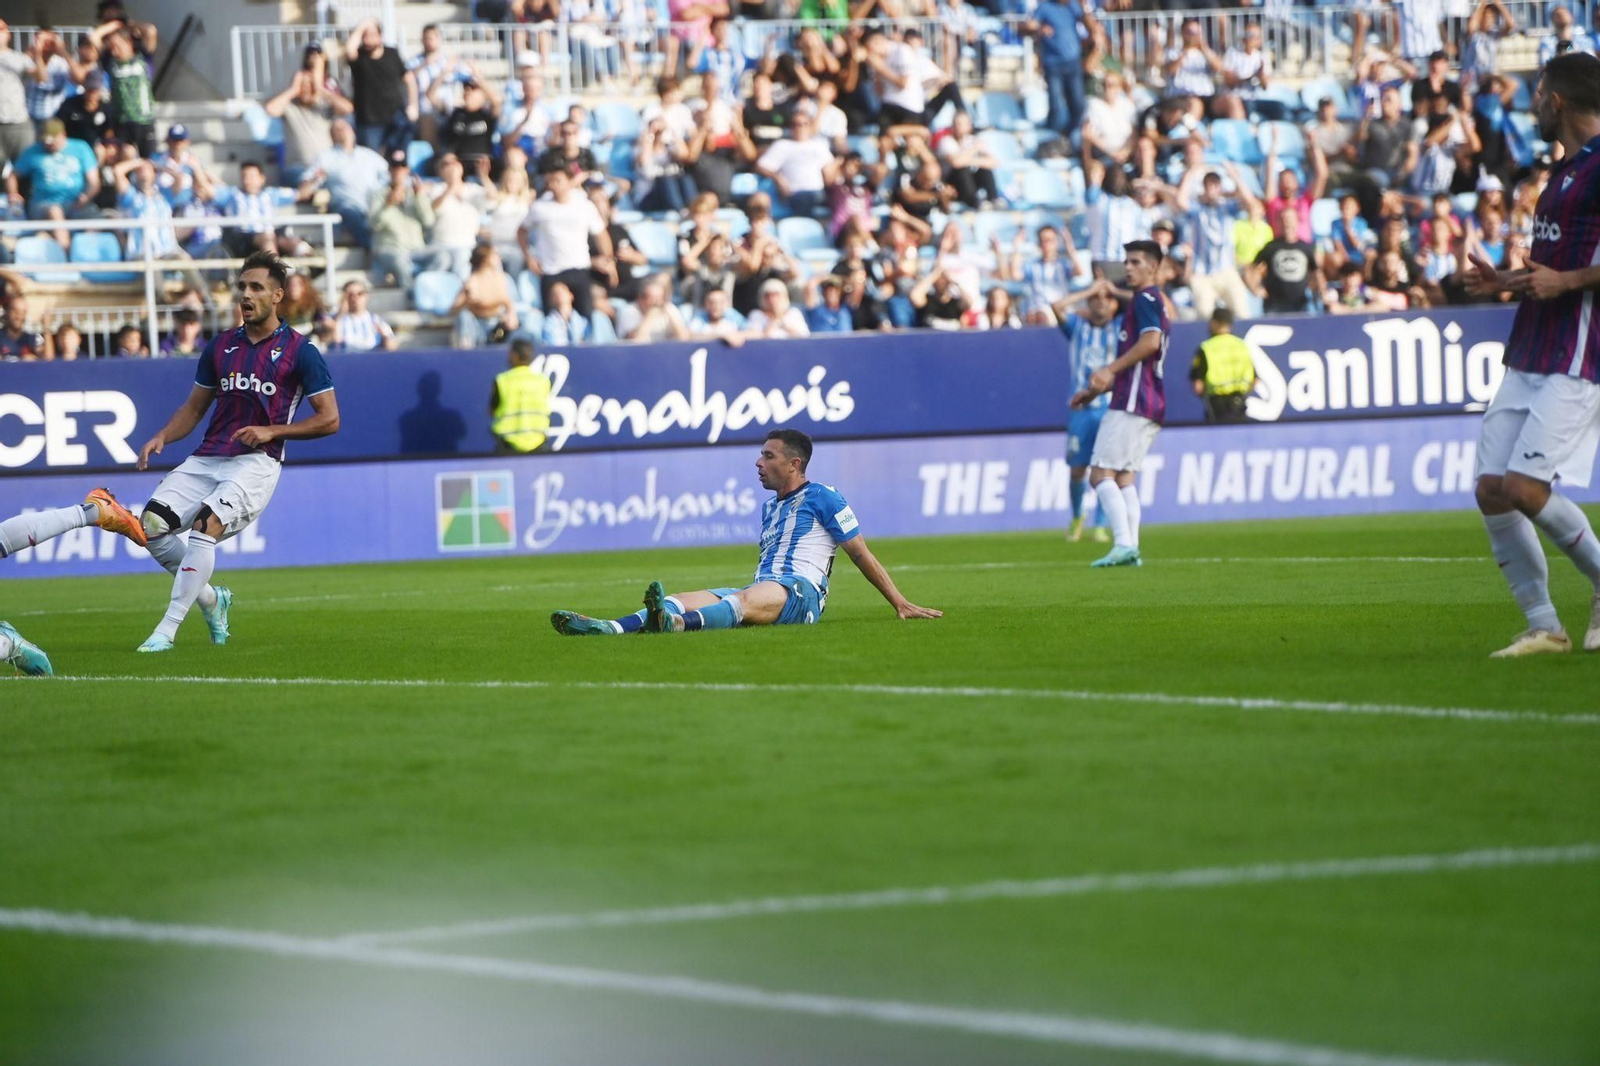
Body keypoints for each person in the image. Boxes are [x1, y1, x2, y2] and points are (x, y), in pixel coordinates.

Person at [129, 250, 338, 651]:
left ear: (277, 296)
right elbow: (193, 408)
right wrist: (163, 436)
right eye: (242, 286)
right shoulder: (221, 346)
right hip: (209, 456)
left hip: (257, 463)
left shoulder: (301, 351)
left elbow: (330, 419)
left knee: (204, 527)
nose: (245, 294)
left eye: (256, 287)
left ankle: (166, 632)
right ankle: (212, 599)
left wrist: (272, 431)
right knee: (151, 527)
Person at [1462, 54, 1600, 658]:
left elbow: (1569, 277)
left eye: (1538, 93)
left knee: (1522, 485)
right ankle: (1545, 624)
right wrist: (1507, 283)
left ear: (1559, 101)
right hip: (1532, 346)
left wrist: (1567, 285)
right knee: (1491, 487)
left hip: (1577, 351)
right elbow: (1553, 268)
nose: (1533, 103)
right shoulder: (1563, 175)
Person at [551, 429, 941, 635]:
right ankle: (610, 628)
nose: (758, 462)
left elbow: (860, 553)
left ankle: (675, 627)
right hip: (764, 588)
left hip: (800, 595)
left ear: (794, 463)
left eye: (768, 456)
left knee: (742, 601)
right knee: (677, 598)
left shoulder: (824, 497)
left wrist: (900, 602)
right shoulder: (770, 507)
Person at [1070, 241, 1170, 569]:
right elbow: (1139, 359)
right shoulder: (1152, 302)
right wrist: (1092, 392)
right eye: (1126, 261)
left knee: (1100, 475)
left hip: (1132, 402)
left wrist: (1109, 369)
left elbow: (1151, 342)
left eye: (1136, 261)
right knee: (1124, 477)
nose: (1128, 267)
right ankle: (1132, 548)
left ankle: (1124, 544)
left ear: (1153, 268)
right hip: (1147, 401)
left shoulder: (1145, 298)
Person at [1052, 280, 1119, 543]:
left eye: (1106, 298)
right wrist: (1090, 290)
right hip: (1080, 410)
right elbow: (1056, 306)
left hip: (1109, 408)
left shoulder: (1120, 327)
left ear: (1114, 304)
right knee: (1078, 469)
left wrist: (1112, 289)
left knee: (1105, 468)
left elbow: (1155, 310)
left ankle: (1101, 524)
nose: (1100, 301)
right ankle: (1078, 515)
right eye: (1095, 299)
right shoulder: (1077, 327)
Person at [521, 157, 611, 320]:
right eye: (551, 181)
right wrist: (529, 257)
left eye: (558, 180)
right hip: (551, 270)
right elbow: (522, 231)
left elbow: (601, 234)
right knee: (553, 319)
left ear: (569, 181)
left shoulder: (584, 206)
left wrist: (609, 259)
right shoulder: (540, 207)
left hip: (579, 268)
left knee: (586, 318)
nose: (554, 185)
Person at [5, 119, 101, 249]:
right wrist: (13, 194)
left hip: (77, 204)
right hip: (44, 205)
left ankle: (89, 258)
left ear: (63, 134)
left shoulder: (81, 148)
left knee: (96, 222)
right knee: (55, 211)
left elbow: (94, 182)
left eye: (51, 141)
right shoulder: (33, 152)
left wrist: (85, 197)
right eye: (45, 141)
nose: (48, 145)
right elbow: (13, 176)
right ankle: (66, 255)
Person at [345, 20, 416, 155]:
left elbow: (409, 79)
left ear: (380, 36)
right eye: (364, 35)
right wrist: (363, 26)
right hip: (368, 121)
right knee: (370, 159)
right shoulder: (359, 56)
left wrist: (413, 105)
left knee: (398, 160)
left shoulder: (392, 53)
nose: (368, 39)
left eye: (372, 34)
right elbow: (349, 49)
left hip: (396, 117)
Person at [1189, 307, 1256, 423]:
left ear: (1214, 323)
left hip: (1216, 406)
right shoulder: (1242, 346)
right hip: (1240, 403)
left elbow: (1198, 386)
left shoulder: (1206, 348)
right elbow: (1255, 380)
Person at [1250, 207, 1322, 315]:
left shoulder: (1306, 247)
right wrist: (1256, 287)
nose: (1286, 223)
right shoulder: (1271, 247)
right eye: (1283, 219)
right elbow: (1252, 268)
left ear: (1297, 221)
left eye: (1289, 219)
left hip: (1300, 305)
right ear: (1278, 222)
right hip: (1274, 306)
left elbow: (1316, 272)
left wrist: (1320, 290)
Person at [489, 337, 551, 453]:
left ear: (515, 356)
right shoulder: (543, 381)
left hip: (507, 446)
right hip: (539, 445)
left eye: (509, 353)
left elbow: (492, 411)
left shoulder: (502, 380)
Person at [333, 280, 397, 352]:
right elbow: (334, 344)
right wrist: (340, 314)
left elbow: (392, 346)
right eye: (350, 295)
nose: (355, 298)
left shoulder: (376, 320)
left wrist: (385, 338)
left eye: (360, 293)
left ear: (366, 296)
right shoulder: (337, 320)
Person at [0, 293, 44, 361]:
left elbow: (48, 362)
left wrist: (35, 360)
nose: (19, 316)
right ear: (7, 311)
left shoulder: (34, 339)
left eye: (23, 312)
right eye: (14, 310)